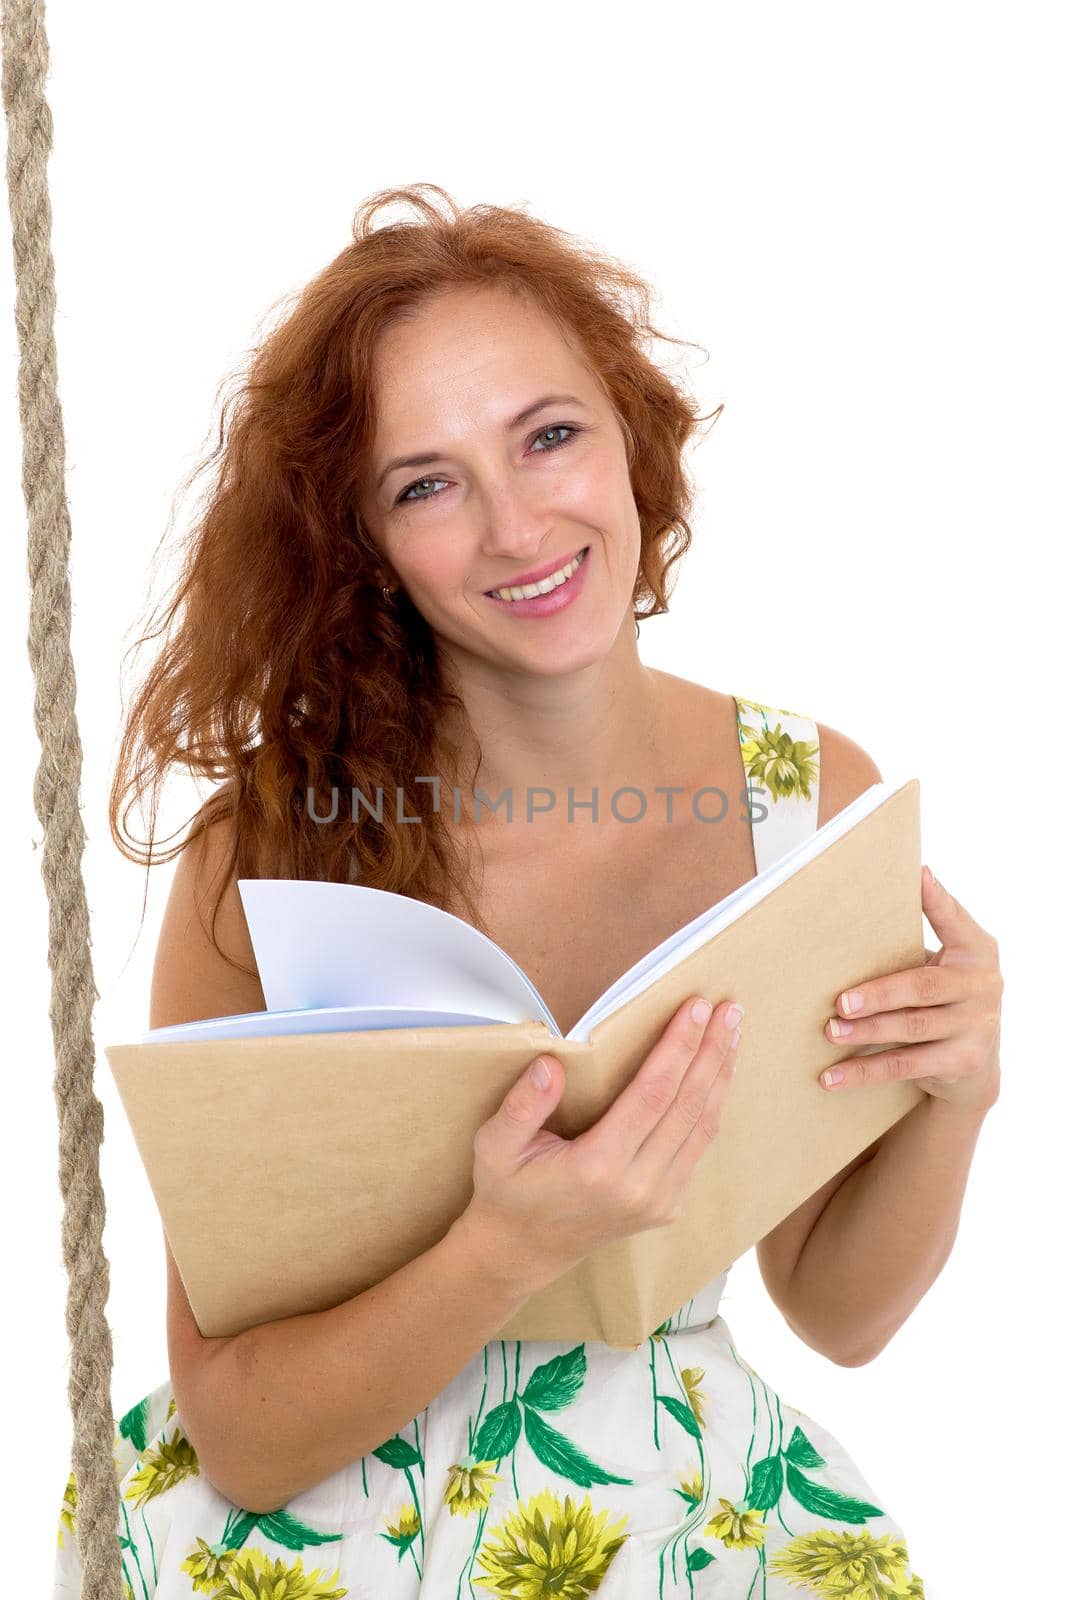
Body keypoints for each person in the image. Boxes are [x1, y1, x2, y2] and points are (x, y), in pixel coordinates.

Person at [54, 184, 1002, 1598]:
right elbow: (244, 1441)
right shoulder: (267, 854)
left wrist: (957, 1093)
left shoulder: (798, 796)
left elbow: (840, 1309)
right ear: (362, 545)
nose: (516, 527)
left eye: (549, 436)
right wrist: (503, 1250)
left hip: (681, 1515)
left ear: (632, 435)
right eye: (426, 484)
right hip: (334, 1533)